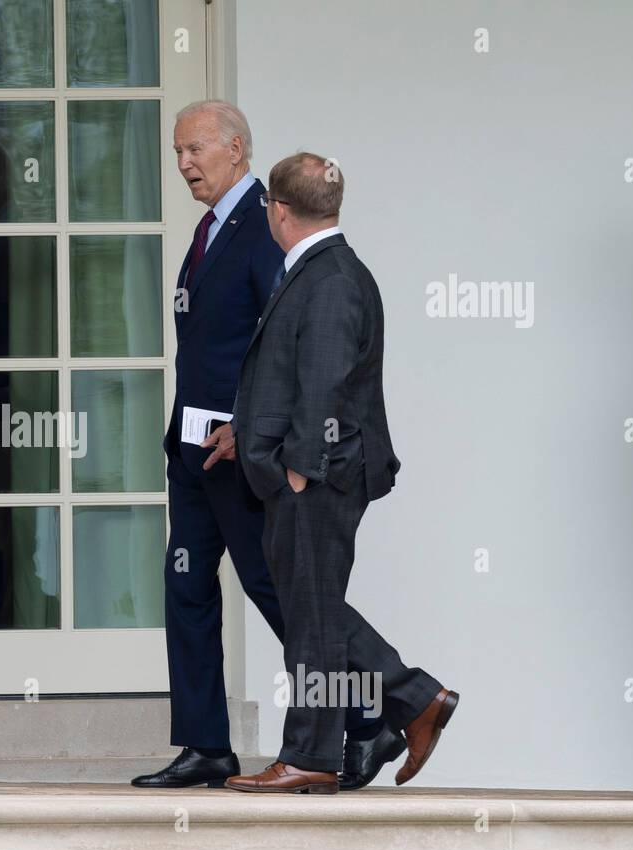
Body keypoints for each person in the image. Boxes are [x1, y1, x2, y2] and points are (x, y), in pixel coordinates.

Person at [132, 103, 395, 791]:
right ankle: (205, 745)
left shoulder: (269, 228)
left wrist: (248, 428)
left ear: (237, 149)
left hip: (239, 454)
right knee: (186, 588)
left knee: (285, 595)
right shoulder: (211, 227)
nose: (184, 162)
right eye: (177, 151)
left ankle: (370, 714)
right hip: (191, 450)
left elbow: (290, 345)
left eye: (196, 149)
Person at [222, 152, 458, 794]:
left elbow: (322, 382)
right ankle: (412, 701)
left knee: (313, 618)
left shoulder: (328, 278)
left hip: (318, 475)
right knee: (314, 613)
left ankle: (311, 754)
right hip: (314, 469)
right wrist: (248, 436)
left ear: (277, 208)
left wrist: (299, 470)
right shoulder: (326, 269)